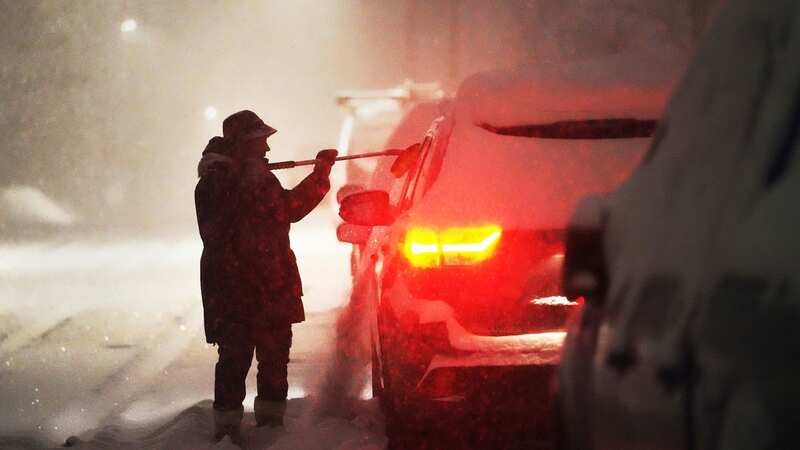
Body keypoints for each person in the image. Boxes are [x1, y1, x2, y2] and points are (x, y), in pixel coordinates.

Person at [195, 110, 337, 443]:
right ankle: (244, 432)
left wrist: (319, 174)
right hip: (252, 287)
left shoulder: (238, 180)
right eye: (261, 143)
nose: (267, 151)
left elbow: (282, 208)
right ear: (243, 146)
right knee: (248, 358)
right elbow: (289, 209)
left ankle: (259, 428)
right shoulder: (221, 184)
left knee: (257, 357)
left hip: (250, 287)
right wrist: (319, 175)